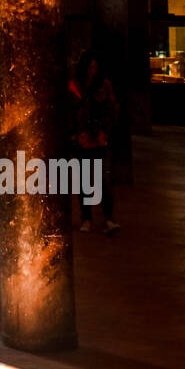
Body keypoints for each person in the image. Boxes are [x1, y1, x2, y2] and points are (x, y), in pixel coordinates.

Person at [69, 49, 120, 234]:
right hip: (82, 140)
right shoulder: (75, 87)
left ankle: (108, 218)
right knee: (84, 181)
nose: (92, 72)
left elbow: (112, 110)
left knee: (104, 180)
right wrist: (74, 133)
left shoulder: (104, 86)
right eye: (90, 68)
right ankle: (86, 217)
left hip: (100, 139)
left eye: (95, 68)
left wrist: (106, 130)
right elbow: (71, 112)